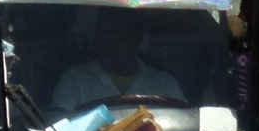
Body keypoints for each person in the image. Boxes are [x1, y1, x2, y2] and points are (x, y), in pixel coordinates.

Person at [51, 10, 185, 115]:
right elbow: (59, 129)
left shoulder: (165, 82)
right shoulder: (74, 80)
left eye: (126, 34)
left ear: (138, 38)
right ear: (99, 37)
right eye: (111, 33)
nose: (118, 42)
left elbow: (184, 125)